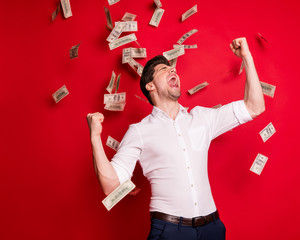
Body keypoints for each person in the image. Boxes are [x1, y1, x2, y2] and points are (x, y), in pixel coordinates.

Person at [86, 37, 265, 240]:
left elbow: (254, 107)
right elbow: (111, 185)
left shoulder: (202, 118)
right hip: (170, 232)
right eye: (164, 69)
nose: (173, 71)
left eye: (173, 69)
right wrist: (95, 137)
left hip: (212, 229)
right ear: (150, 86)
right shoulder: (139, 131)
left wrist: (246, 57)